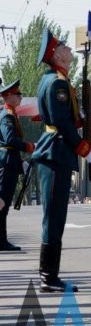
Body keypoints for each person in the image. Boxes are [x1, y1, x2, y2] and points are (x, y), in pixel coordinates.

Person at [32, 29, 91, 292]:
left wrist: (83, 118)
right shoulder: (57, 83)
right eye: (63, 46)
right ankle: (48, 277)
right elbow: (60, 122)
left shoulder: (57, 80)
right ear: (56, 55)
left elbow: (64, 116)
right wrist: (85, 148)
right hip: (56, 152)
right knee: (54, 216)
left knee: (56, 215)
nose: (68, 47)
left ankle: (49, 275)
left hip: (57, 152)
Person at [0, 80, 34, 251]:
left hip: (10, 160)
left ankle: (1, 239)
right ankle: (1, 240)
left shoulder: (11, 114)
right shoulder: (7, 115)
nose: (20, 97)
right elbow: (10, 140)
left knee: (3, 202)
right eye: (17, 94)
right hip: (6, 162)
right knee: (2, 201)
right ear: (9, 97)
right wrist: (27, 146)